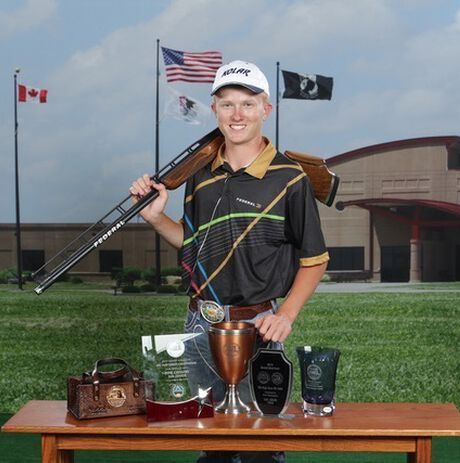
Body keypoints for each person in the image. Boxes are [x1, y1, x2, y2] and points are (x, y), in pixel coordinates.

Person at [130, 60, 329, 463]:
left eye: (248, 104)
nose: (237, 115)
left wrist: (286, 315)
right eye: (226, 104)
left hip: (258, 323)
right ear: (215, 110)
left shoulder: (290, 177)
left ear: (265, 110)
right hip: (200, 322)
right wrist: (155, 218)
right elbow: (195, 244)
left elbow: (314, 260)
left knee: (261, 446)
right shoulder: (200, 175)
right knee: (211, 441)